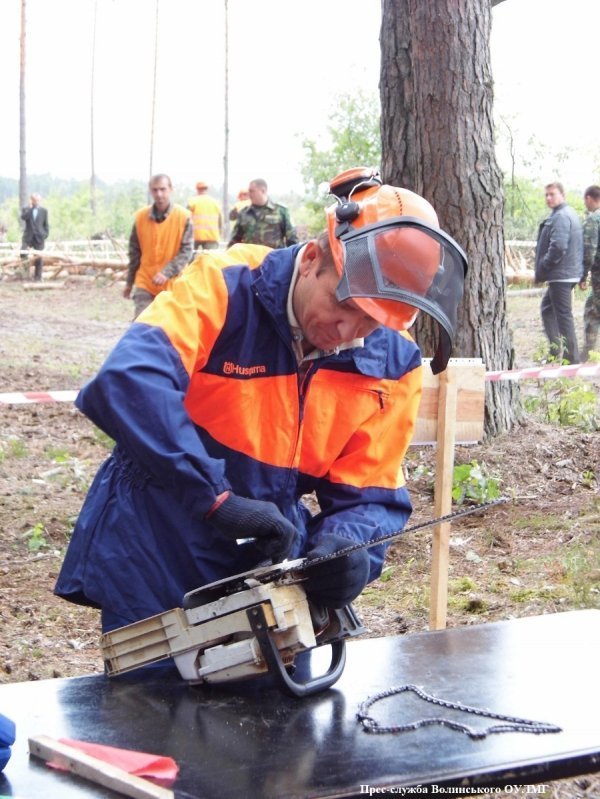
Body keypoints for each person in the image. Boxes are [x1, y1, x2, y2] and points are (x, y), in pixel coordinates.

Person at [54, 167, 468, 634]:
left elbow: (371, 491)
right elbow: (130, 380)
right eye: (345, 305)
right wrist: (215, 498)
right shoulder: (225, 285)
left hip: (270, 551)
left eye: (372, 321)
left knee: (280, 683)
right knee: (152, 680)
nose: (348, 332)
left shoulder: (393, 364)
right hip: (158, 532)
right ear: (311, 259)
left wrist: (349, 548)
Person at [123, 174, 193, 319]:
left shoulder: (183, 217)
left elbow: (186, 252)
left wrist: (166, 272)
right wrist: (129, 283)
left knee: (169, 326)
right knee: (142, 323)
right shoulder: (140, 217)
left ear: (170, 189)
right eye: (155, 190)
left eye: (163, 189)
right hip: (146, 282)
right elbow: (134, 253)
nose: (159, 194)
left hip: (173, 284)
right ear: (150, 191)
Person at [534, 182, 583, 363]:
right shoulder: (565, 213)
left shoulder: (561, 216)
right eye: (546, 195)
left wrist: (544, 265)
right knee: (547, 309)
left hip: (561, 275)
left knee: (563, 316)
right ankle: (555, 352)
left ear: (562, 194)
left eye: (552, 194)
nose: (548, 198)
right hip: (566, 273)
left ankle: (572, 360)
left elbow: (559, 247)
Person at [228, 178, 298, 248]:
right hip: (250, 254)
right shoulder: (244, 213)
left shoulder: (280, 211)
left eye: (251, 191)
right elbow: (234, 240)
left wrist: (293, 253)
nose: (249, 194)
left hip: (273, 254)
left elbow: (292, 239)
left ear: (263, 190)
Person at [579, 185, 600, 360]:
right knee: (591, 308)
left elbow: (589, 250)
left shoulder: (593, 220)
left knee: (593, 312)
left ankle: (587, 355)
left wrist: (583, 275)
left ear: (588, 198)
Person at [20, 193, 49, 281]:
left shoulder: (44, 211)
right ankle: (25, 274)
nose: (36, 202)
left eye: (37, 200)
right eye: (34, 200)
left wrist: (45, 234)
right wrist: (30, 208)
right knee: (23, 253)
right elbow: (23, 217)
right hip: (28, 237)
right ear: (31, 200)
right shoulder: (26, 209)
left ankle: (38, 277)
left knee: (39, 258)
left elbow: (46, 224)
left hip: (39, 237)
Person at [187, 181, 223, 251]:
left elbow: (185, 218)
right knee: (210, 257)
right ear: (206, 189)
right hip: (212, 237)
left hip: (195, 237)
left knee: (191, 257)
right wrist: (219, 234)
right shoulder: (215, 202)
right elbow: (220, 221)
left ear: (197, 189)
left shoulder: (192, 202)